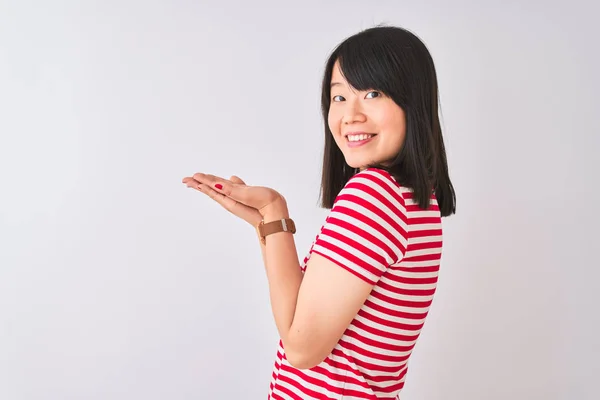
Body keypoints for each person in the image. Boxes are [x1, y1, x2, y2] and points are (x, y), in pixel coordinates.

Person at [182, 24, 456, 400]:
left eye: (372, 93)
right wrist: (266, 223)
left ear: (413, 101)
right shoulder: (418, 200)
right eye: (339, 97)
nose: (350, 115)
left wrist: (274, 212)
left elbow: (301, 348)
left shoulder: (374, 194)